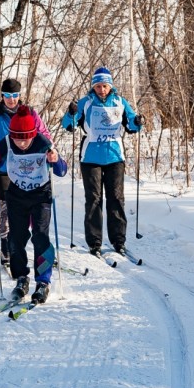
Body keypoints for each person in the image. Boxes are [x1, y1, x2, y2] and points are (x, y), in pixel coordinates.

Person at [61, 67, 143, 256]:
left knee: (116, 198)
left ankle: (118, 241)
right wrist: (71, 112)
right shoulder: (86, 102)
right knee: (94, 199)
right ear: (93, 87)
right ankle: (94, 242)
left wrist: (137, 121)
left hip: (115, 156)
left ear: (110, 85)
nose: (101, 90)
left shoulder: (120, 102)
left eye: (104, 86)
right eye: (98, 86)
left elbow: (131, 124)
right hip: (91, 157)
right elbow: (68, 125)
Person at [0, 105, 67, 303]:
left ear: (33, 134)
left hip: (40, 195)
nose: (22, 143)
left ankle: (43, 281)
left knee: (40, 237)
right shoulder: (7, 142)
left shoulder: (43, 143)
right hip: (16, 195)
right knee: (16, 238)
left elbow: (62, 170)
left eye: (26, 138)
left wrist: (55, 159)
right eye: (18, 137)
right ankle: (21, 278)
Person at [0, 78, 53, 266]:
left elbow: (45, 135)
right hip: (1, 170)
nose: (11, 100)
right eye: (7, 96)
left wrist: (48, 150)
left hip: (29, 170)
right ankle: (7, 248)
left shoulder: (30, 113)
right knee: (7, 209)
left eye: (15, 95)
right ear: (2, 96)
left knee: (34, 213)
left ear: (20, 95)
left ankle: (40, 250)